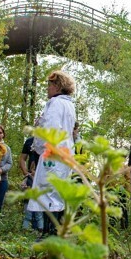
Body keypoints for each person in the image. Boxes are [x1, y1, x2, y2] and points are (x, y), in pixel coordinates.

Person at [26, 70, 77, 237]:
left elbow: (50, 130)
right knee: (58, 191)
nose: (47, 88)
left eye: (50, 85)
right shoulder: (70, 105)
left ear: (58, 86)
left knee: (48, 191)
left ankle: (50, 232)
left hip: (53, 153)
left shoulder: (55, 104)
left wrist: (39, 147)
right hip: (65, 154)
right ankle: (57, 230)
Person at [19, 136, 43, 231]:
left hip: (43, 178)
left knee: (41, 205)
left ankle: (40, 229)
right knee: (28, 204)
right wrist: (26, 173)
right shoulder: (30, 141)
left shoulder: (49, 140)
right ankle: (26, 229)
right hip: (30, 178)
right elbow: (22, 159)